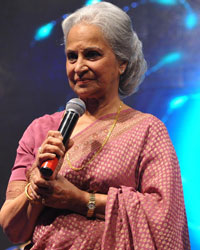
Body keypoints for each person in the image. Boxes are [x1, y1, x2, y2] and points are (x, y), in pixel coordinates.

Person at [0, 2, 190, 249]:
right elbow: (12, 230)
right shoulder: (41, 130)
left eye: (92, 54)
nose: (79, 67)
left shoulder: (147, 130)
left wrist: (79, 200)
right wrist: (36, 186)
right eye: (72, 56)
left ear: (122, 62)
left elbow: (164, 217)